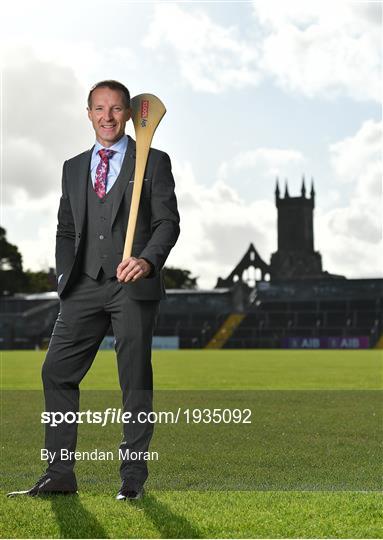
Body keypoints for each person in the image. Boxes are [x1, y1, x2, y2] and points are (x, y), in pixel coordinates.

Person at [7, 80, 180, 500]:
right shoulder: (71, 167)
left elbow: (167, 223)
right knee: (56, 371)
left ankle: (132, 480)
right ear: (88, 113)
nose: (107, 116)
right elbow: (66, 229)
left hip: (132, 287)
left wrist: (147, 259)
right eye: (99, 108)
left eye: (116, 109)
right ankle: (60, 474)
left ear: (127, 114)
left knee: (134, 380)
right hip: (82, 286)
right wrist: (65, 278)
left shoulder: (153, 161)